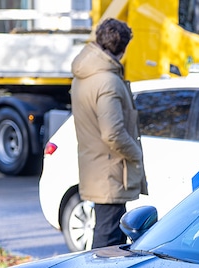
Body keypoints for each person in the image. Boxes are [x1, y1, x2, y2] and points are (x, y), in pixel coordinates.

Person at [70, 17, 146, 249]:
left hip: (97, 167)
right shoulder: (107, 81)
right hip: (111, 171)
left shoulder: (85, 75)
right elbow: (112, 133)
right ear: (123, 48)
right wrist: (136, 154)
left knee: (107, 236)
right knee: (108, 242)